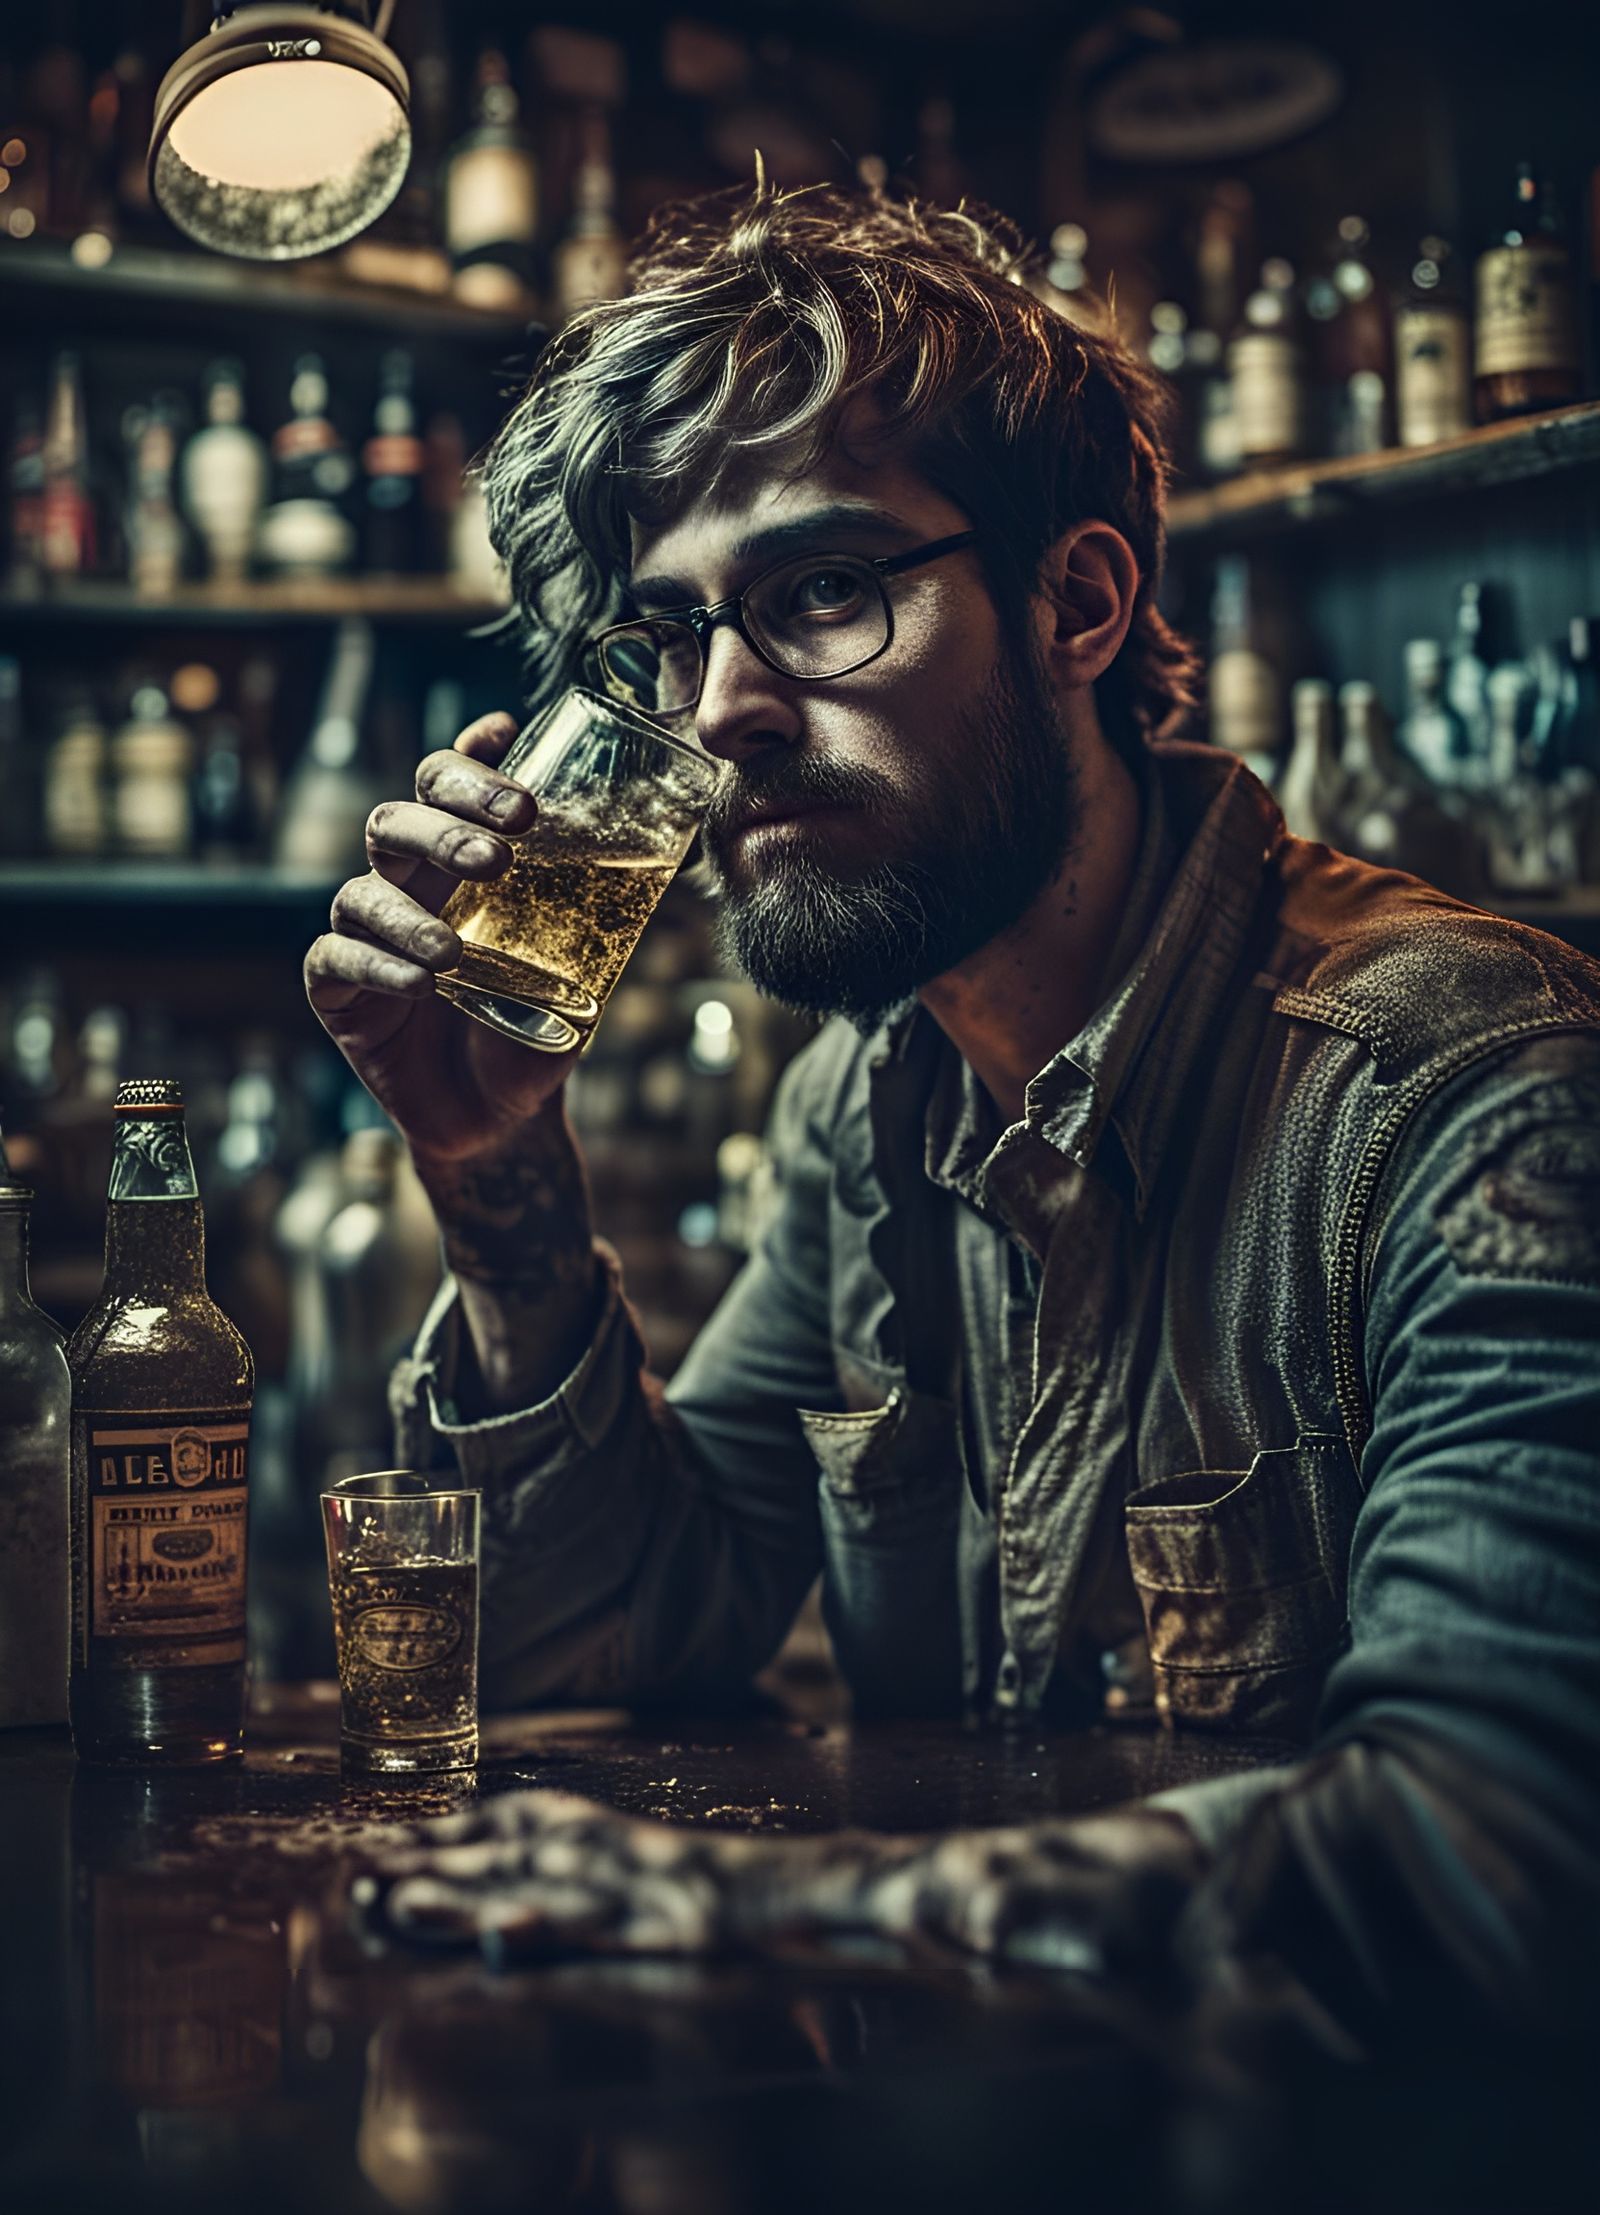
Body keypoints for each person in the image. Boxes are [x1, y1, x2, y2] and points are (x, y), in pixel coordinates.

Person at [306, 182, 1600, 2037]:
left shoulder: (1475, 1098)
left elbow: (1505, 1853)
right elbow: (617, 1631)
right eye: (669, 636)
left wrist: (778, 1911)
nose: (725, 708)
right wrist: (494, 1160)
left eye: (822, 591)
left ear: (1079, 602)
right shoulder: (872, 1096)